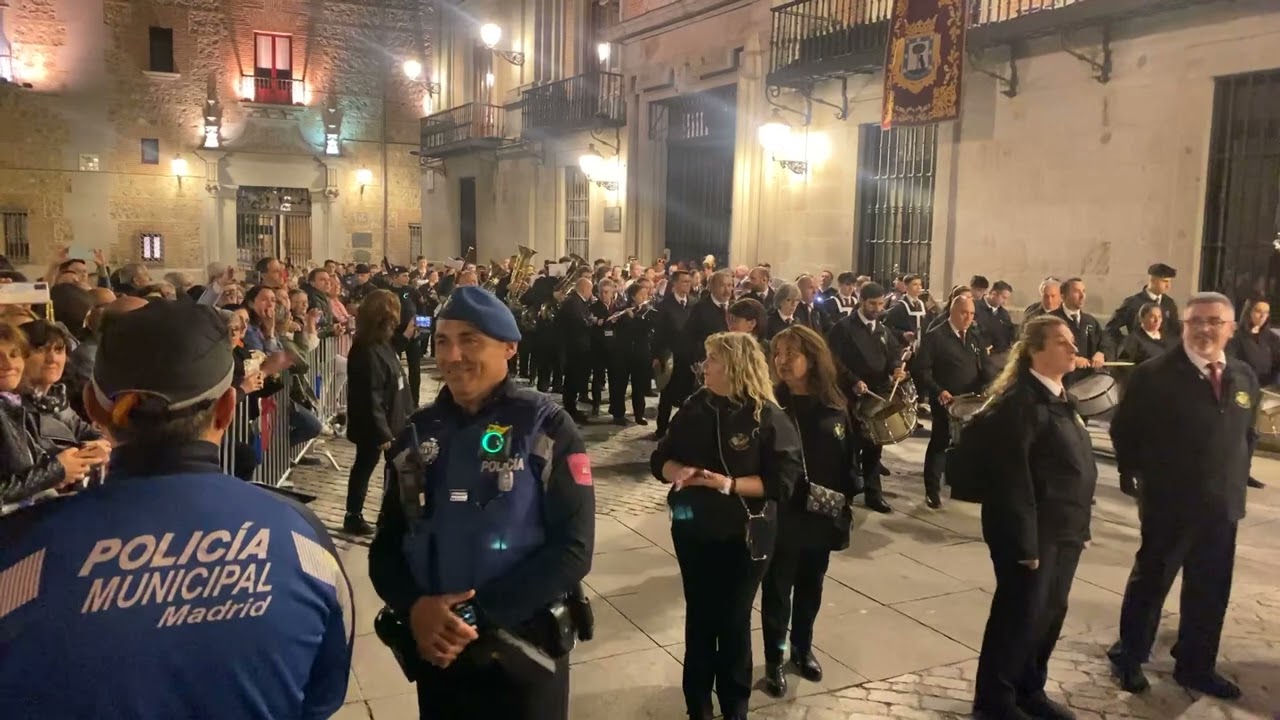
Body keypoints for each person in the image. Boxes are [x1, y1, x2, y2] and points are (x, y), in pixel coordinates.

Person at [0, 301, 353, 718]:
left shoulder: (21, 555)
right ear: (227, 408)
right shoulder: (303, 540)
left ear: (94, 411)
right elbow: (322, 696)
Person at [368, 286, 595, 720]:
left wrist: (476, 613)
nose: (452, 355)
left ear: (510, 348)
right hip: (439, 654)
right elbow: (388, 542)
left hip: (522, 655)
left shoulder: (546, 426)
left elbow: (573, 548)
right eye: (442, 341)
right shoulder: (417, 432)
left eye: (470, 339)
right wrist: (416, 608)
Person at [1106, 293, 1259, 700]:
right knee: (1151, 585)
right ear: (1183, 326)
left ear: (1231, 329)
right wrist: (1149, 481)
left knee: (1210, 591)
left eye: (1214, 321)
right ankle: (1129, 658)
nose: (1205, 329)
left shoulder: (1242, 376)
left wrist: (1236, 480)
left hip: (1222, 506)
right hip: (1169, 507)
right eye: (1196, 322)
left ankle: (1196, 665)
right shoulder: (1153, 375)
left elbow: (1247, 433)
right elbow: (1124, 434)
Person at [651, 331, 802, 720]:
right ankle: (697, 703)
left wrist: (728, 484)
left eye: (713, 359)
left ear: (735, 366)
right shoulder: (695, 405)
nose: (705, 367)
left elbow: (783, 482)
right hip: (691, 526)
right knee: (700, 614)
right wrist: (677, 471)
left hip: (745, 533)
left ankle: (735, 704)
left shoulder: (768, 415)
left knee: (733, 618)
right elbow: (660, 458)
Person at [971, 315, 1096, 720]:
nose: (1072, 348)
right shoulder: (1019, 403)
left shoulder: (1060, 397)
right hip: (1034, 535)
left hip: (1065, 530)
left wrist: (1081, 526)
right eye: (1062, 342)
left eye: (1072, 341)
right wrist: (1024, 544)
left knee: (1049, 615)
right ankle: (995, 700)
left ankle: (1030, 688)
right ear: (1034, 351)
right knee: (1018, 617)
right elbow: (1012, 481)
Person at [761, 326, 859, 698]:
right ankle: (775, 657)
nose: (782, 361)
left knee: (810, 587)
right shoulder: (770, 404)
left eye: (791, 354)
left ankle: (802, 648)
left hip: (821, 512)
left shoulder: (834, 403)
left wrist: (847, 496)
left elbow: (847, 455)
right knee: (777, 590)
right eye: (778, 353)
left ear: (813, 359)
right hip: (783, 514)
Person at [827, 282, 906, 514]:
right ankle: (847, 494)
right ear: (862, 302)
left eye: (881, 304)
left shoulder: (882, 329)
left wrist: (896, 370)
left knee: (875, 445)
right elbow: (833, 359)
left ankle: (874, 494)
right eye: (873, 303)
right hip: (851, 395)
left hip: (876, 395)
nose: (878, 308)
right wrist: (853, 381)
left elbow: (893, 355)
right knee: (850, 447)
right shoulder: (843, 328)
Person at [911, 296, 992, 509]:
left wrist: (988, 385)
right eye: (964, 313)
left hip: (971, 401)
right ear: (953, 312)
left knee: (969, 444)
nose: (969, 318)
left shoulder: (974, 337)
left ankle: (963, 485)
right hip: (945, 400)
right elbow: (921, 369)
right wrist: (939, 390)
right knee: (940, 442)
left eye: (972, 314)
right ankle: (932, 490)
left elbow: (986, 365)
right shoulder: (936, 337)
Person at [344, 289, 413, 535]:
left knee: (396, 470)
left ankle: (392, 513)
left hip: (394, 418)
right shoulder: (366, 350)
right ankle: (353, 515)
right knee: (365, 467)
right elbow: (369, 395)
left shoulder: (381, 343)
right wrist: (382, 432)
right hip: (375, 425)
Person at [1229, 297, 1280, 489]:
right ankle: (1232, 472)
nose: (1262, 316)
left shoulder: (1270, 338)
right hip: (1241, 391)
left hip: (1262, 390)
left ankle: (1244, 473)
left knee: (1252, 434)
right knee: (1238, 433)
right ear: (1249, 312)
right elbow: (1232, 362)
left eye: (1266, 312)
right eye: (1258, 311)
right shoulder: (1237, 336)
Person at [652, 270, 696, 439]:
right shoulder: (665, 305)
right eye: (684, 281)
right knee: (667, 395)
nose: (687, 285)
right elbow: (658, 334)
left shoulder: (694, 303)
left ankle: (683, 428)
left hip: (688, 357)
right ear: (675, 284)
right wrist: (657, 356)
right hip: (670, 356)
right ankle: (661, 428)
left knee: (688, 395)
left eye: (689, 282)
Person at [1050, 278, 1112, 388]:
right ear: (1063, 296)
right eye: (1076, 291)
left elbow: (1105, 341)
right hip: (1061, 383)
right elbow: (1044, 349)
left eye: (1084, 291)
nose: (1082, 296)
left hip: (1087, 383)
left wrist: (1101, 354)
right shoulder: (1051, 320)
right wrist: (1072, 359)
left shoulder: (1090, 321)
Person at [1106, 263, 1181, 350]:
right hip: (1140, 354)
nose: (1168, 286)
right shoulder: (1133, 303)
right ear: (1153, 280)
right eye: (1165, 281)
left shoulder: (1169, 303)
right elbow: (1111, 328)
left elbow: (1175, 331)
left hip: (1163, 354)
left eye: (1170, 281)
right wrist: (1127, 343)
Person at [1117, 302, 1176, 366]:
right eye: (1152, 317)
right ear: (1141, 318)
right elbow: (1123, 364)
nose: (1157, 320)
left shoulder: (1169, 338)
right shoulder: (1132, 340)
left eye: (1159, 317)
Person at [884, 274, 928, 347]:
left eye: (920, 284)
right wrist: (902, 334)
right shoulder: (899, 307)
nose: (918, 287)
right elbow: (886, 327)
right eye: (915, 285)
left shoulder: (922, 305)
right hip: (905, 347)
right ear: (906, 287)